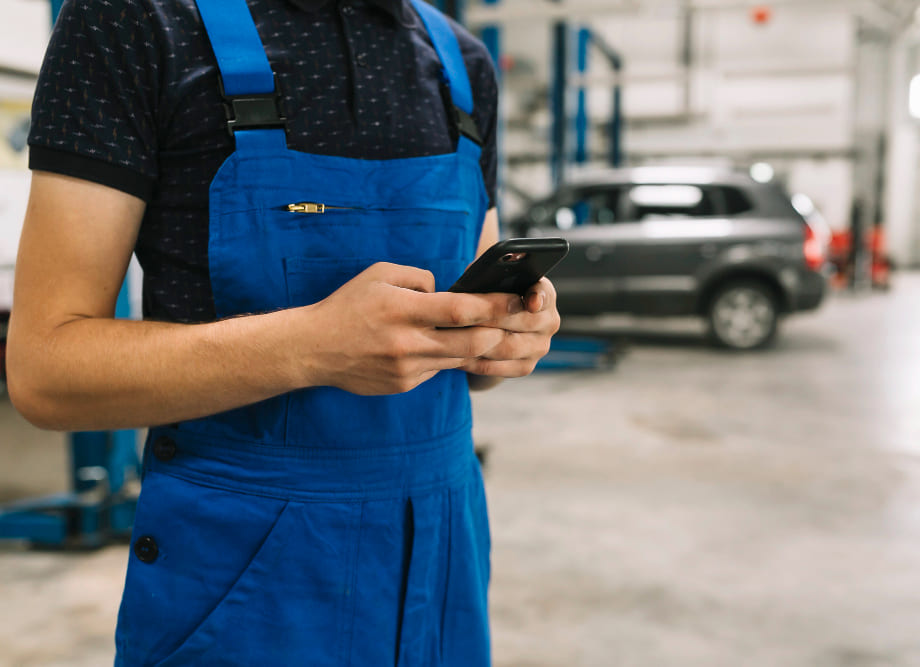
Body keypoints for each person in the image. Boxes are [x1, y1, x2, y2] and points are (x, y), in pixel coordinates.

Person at [7, 0, 560, 664]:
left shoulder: (464, 68)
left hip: (441, 564)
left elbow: (464, 358)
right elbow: (46, 371)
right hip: (247, 584)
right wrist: (310, 346)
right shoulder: (136, 21)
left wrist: (503, 336)